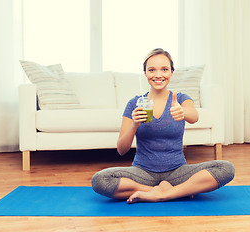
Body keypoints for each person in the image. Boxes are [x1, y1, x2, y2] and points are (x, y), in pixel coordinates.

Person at [91, 48, 235, 204]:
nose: (158, 75)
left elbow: (194, 117)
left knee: (226, 168)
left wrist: (183, 111)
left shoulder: (180, 99)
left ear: (172, 72)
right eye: (152, 70)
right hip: (143, 173)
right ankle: (170, 191)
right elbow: (121, 149)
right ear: (145, 73)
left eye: (164, 69)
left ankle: (162, 194)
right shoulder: (134, 103)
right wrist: (134, 124)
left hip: (178, 171)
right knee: (100, 180)